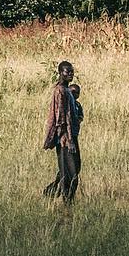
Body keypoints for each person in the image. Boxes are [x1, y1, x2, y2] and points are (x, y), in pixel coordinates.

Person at [43, 61, 80, 203]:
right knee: (70, 174)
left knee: (74, 170)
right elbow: (61, 118)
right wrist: (69, 139)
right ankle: (66, 202)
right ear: (60, 73)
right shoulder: (59, 91)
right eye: (67, 71)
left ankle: (56, 193)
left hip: (72, 137)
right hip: (65, 139)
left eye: (71, 71)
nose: (70, 74)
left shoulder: (67, 90)